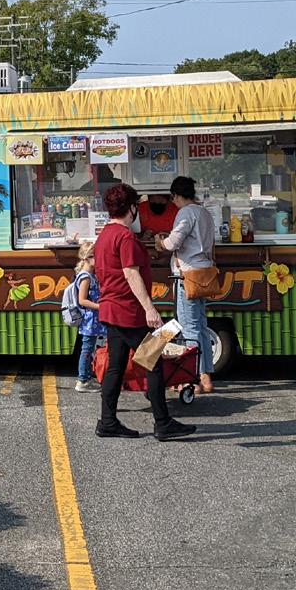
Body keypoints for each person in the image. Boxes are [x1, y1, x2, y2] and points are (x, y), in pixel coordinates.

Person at [94, 182, 195, 441]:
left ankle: (108, 421)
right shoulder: (125, 237)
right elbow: (131, 273)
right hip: (129, 311)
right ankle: (163, 423)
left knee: (115, 367)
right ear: (131, 208)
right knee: (154, 360)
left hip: (111, 308)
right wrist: (149, 309)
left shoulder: (104, 235)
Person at [157, 175, 217, 394]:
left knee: (188, 328)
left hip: (187, 276)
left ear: (175, 196)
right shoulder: (204, 213)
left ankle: (193, 378)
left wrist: (160, 241)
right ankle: (206, 376)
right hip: (204, 274)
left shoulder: (185, 213)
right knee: (201, 326)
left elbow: (173, 243)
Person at [72, 241, 104, 392]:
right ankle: (82, 380)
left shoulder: (90, 275)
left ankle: (86, 378)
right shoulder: (85, 277)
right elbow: (82, 300)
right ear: (86, 258)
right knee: (87, 349)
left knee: (89, 349)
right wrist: (100, 306)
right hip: (90, 320)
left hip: (93, 319)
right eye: (96, 256)